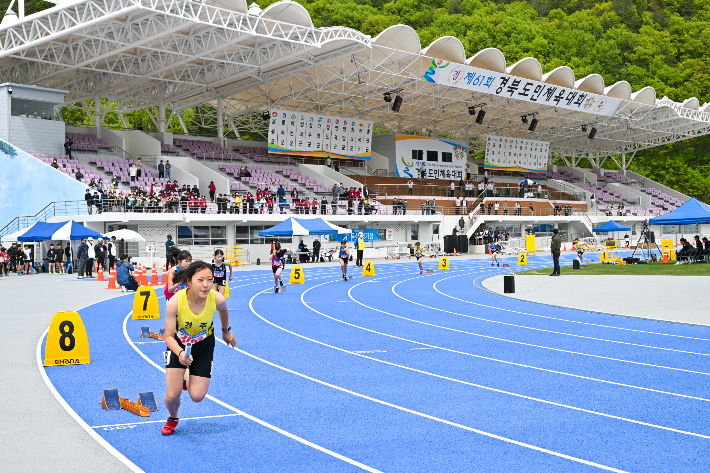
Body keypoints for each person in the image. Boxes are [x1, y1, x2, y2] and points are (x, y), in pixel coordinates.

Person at [161, 261, 237, 435]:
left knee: (197, 396)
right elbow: (168, 337)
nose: (206, 285)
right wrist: (180, 353)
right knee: (173, 395)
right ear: (189, 281)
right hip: (178, 345)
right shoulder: (175, 302)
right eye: (200, 280)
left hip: (203, 345)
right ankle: (173, 417)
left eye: (210, 280)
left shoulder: (216, 298)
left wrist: (225, 331)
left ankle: (185, 373)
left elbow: (224, 310)